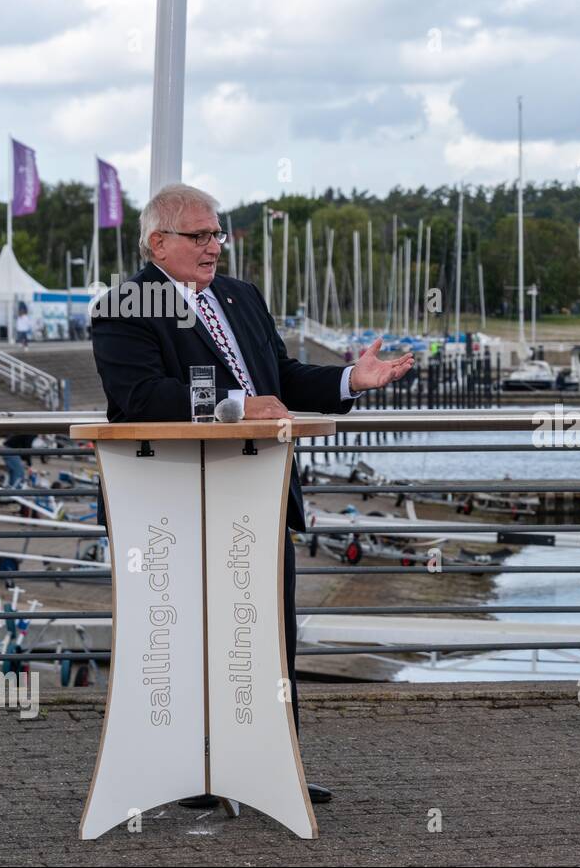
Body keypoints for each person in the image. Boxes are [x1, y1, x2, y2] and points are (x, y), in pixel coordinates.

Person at [90, 183, 414, 808]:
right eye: (200, 236)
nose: (215, 247)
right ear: (159, 242)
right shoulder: (126, 304)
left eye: (218, 234)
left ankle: (271, 767)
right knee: (184, 639)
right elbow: (141, 398)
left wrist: (352, 377)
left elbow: (283, 381)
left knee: (267, 636)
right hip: (172, 504)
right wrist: (235, 407)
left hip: (257, 497)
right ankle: (190, 773)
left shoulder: (241, 297)